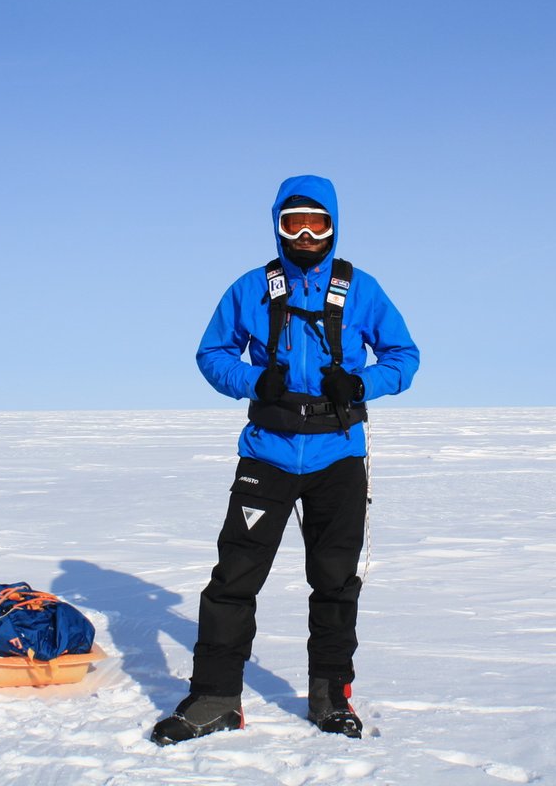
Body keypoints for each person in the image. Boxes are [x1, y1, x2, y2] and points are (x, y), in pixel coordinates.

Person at [150, 174, 420, 745]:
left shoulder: (361, 288)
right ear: (276, 226)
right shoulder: (251, 288)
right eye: (292, 222)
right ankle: (215, 698)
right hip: (267, 457)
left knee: (334, 581)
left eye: (316, 222)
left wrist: (362, 384)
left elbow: (405, 355)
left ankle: (330, 696)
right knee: (232, 581)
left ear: (334, 225)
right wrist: (253, 381)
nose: (304, 233)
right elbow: (211, 352)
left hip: (338, 457)